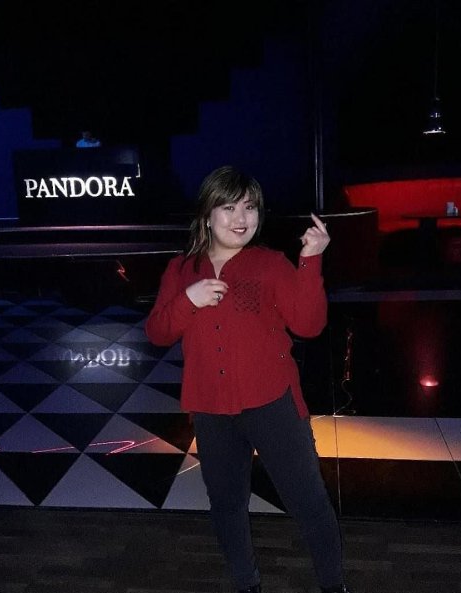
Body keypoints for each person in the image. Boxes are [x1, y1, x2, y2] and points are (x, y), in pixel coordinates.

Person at [145, 165, 352, 593]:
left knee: (309, 502)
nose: (241, 218)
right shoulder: (181, 270)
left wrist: (311, 259)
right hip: (210, 408)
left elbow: (309, 324)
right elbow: (157, 332)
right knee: (226, 504)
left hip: (272, 403)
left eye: (250, 207)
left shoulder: (270, 264)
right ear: (207, 215)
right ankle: (246, 583)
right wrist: (188, 299)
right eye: (229, 207)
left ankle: (334, 586)